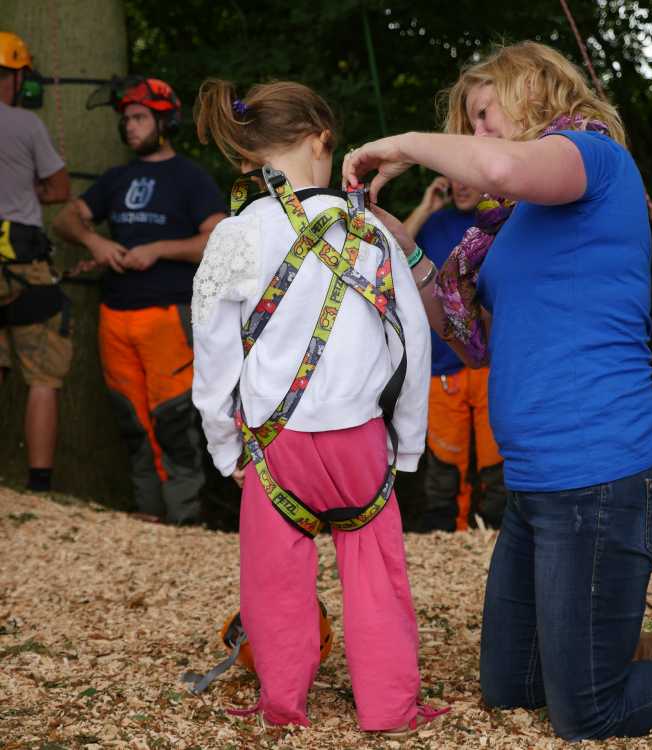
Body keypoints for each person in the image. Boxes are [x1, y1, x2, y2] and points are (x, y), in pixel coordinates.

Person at [342, 40, 652, 741]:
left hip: (603, 473)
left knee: (587, 710)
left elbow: (500, 164)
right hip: (538, 484)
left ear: (531, 88)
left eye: (482, 112)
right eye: (467, 122)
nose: (476, 134)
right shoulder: (511, 221)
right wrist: (402, 248)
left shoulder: (591, 158)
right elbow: (466, 332)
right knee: (512, 688)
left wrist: (405, 144)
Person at [190, 78, 446, 734]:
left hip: (277, 448)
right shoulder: (370, 230)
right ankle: (390, 708)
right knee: (376, 576)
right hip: (361, 441)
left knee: (276, 580)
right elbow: (411, 343)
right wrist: (408, 442)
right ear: (321, 141)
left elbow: (214, 355)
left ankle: (283, 704)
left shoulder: (234, 237)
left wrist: (227, 446)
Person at [52, 77, 225, 525]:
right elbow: (67, 219)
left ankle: (184, 522)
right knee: (133, 425)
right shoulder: (117, 178)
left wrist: (159, 248)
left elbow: (219, 239)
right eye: (126, 119)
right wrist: (95, 243)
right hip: (115, 315)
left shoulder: (190, 177)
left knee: (173, 421)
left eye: (140, 117)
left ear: (165, 121)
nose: (130, 127)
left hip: (168, 315)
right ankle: (148, 519)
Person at [403, 176, 505, 531]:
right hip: (443, 365)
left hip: (493, 362)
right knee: (445, 469)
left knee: (498, 467)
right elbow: (386, 251)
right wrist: (425, 207)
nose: (463, 186)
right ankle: (445, 537)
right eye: (455, 180)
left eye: (469, 179)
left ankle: (495, 537)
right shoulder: (434, 223)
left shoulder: (501, 221)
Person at [0, 31, 71, 493]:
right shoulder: (26, 126)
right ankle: (40, 486)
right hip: (20, 264)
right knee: (43, 371)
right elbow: (59, 188)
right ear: (17, 75)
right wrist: (30, 191)